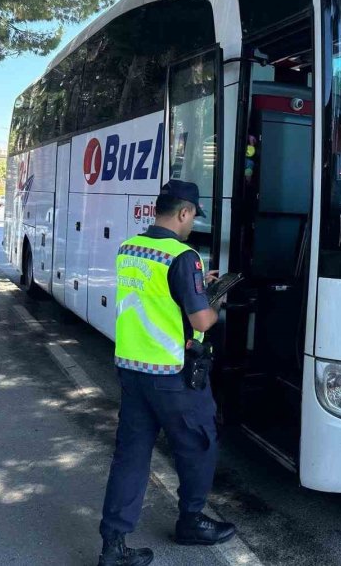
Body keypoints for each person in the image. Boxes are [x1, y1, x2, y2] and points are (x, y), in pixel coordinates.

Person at [98, 180, 235, 566]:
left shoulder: (130, 248)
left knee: (131, 456)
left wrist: (193, 288)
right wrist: (215, 298)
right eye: (192, 217)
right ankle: (191, 521)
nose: (192, 224)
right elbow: (202, 321)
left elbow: (154, 298)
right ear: (184, 213)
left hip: (131, 368)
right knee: (199, 446)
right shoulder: (184, 256)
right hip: (173, 375)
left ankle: (113, 545)